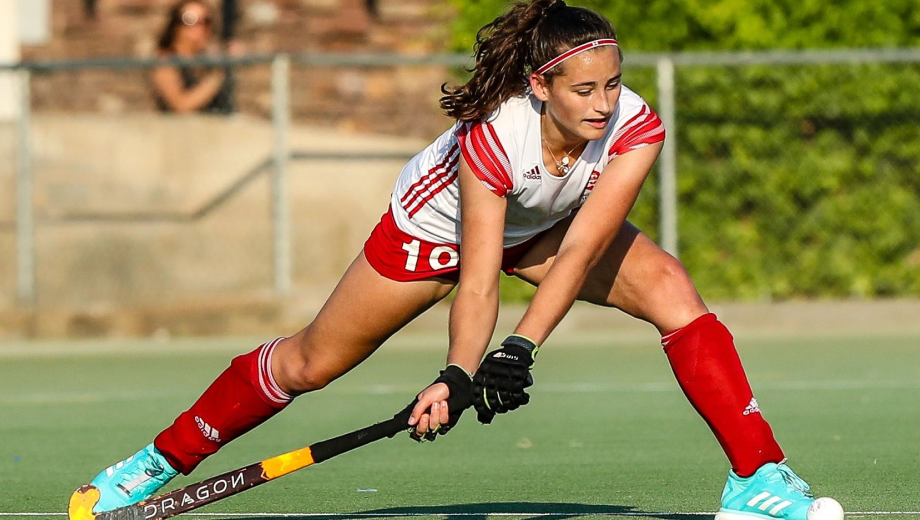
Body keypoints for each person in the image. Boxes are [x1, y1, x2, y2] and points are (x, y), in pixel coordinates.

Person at [73, 2, 839, 519]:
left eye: (611, 84)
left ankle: (757, 478)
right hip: (433, 235)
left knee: (672, 288)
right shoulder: (492, 138)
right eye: (583, 90)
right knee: (308, 364)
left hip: (546, 228)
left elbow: (578, 252)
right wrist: (458, 374)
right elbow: (475, 279)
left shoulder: (634, 126)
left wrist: (520, 350)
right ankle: (155, 461)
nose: (603, 103)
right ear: (541, 86)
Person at [151, 0, 235, 114]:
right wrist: (216, 78)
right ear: (176, 25)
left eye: (206, 21)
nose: (199, 28)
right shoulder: (165, 61)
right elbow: (181, 106)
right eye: (190, 20)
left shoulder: (207, 57)